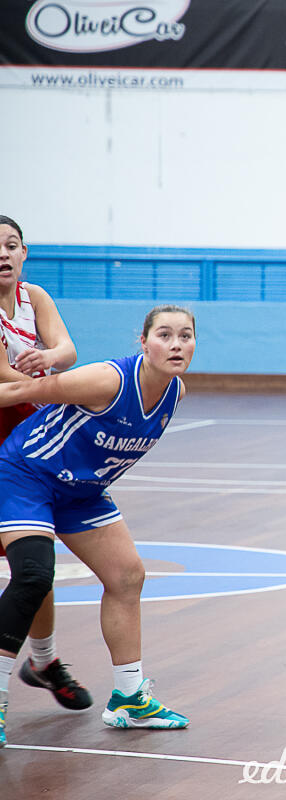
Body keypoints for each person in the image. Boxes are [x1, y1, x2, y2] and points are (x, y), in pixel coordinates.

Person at [0, 304, 197, 746]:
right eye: (164, 335)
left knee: (127, 576)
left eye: (185, 336)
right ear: (143, 342)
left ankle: (129, 699)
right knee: (33, 574)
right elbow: (21, 391)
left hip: (82, 490)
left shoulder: (175, 392)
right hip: (26, 475)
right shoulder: (107, 380)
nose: (176, 345)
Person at [0, 215, 92, 711]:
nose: (3, 254)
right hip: (6, 435)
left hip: (32, 440)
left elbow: (68, 350)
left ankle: (43, 660)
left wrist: (50, 361)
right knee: (30, 566)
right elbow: (5, 379)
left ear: (24, 253)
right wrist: (54, 380)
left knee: (35, 563)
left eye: (11, 244)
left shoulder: (35, 297)